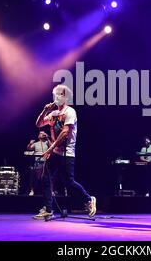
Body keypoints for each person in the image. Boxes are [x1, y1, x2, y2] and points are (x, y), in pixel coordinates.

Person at [33, 84, 96, 219]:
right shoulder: (53, 114)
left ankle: (88, 200)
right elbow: (38, 124)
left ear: (66, 97)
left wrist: (50, 148)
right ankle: (48, 209)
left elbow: (65, 132)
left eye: (60, 94)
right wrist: (44, 111)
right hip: (56, 152)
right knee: (46, 178)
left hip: (67, 152)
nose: (57, 96)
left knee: (69, 182)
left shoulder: (70, 112)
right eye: (55, 94)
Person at [26, 131, 50, 196]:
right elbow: (29, 148)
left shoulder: (47, 143)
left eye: (42, 133)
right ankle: (32, 190)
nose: (40, 134)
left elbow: (52, 147)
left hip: (46, 163)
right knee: (35, 178)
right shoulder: (36, 144)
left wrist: (47, 138)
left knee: (46, 178)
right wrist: (30, 143)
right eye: (40, 133)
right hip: (38, 163)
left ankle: (48, 192)